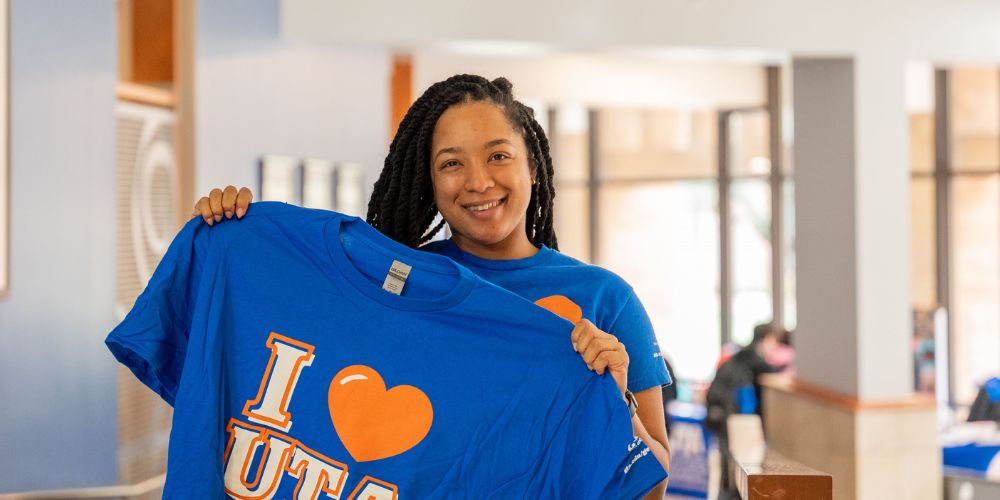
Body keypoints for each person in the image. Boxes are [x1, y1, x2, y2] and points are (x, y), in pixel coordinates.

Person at [191, 74, 672, 496]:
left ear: (532, 165)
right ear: (428, 181)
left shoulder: (604, 299)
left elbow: (651, 487)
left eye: (498, 155)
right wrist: (234, 237)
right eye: (451, 163)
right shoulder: (395, 291)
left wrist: (618, 396)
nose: (479, 182)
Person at [704, 322, 782, 497]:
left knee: (729, 464)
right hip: (739, 420)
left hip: (722, 415)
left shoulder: (737, 357)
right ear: (767, 339)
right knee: (743, 466)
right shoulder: (757, 362)